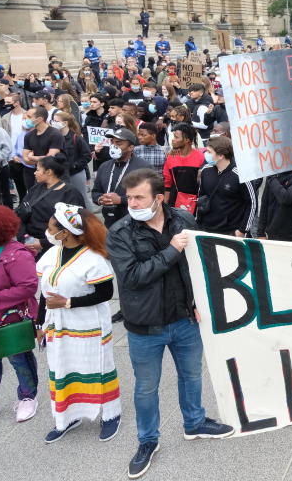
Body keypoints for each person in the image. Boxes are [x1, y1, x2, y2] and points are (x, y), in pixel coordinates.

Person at [107, 169, 233, 479]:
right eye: (130, 197)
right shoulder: (120, 232)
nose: (132, 203)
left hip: (185, 320)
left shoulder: (183, 221)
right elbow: (133, 277)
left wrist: (198, 302)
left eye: (139, 197)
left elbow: (198, 266)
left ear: (159, 198)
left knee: (191, 375)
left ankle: (195, 422)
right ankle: (147, 441)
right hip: (145, 326)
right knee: (146, 388)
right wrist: (172, 249)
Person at [37, 203, 121, 443]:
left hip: (89, 326)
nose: (47, 230)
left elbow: (105, 294)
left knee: (98, 369)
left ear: (65, 231)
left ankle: (111, 415)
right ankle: (67, 417)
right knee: (62, 369)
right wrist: (40, 324)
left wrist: (68, 303)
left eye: (51, 227)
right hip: (57, 327)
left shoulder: (93, 258)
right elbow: (45, 294)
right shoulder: (51, 254)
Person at [0, 204, 40, 424]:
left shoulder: (15, 254)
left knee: (19, 358)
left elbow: (28, 287)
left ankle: (28, 397)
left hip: (9, 319)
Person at [17, 155, 85, 254]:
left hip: (55, 246)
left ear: (49, 172)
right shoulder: (36, 188)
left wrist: (43, 243)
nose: (35, 173)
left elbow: (75, 226)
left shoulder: (70, 193)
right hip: (30, 242)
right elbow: (22, 211)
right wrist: (24, 238)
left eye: (38, 170)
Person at [195, 137, 256, 237]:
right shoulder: (206, 170)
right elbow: (201, 196)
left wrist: (242, 230)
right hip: (206, 229)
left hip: (230, 232)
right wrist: (198, 222)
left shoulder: (241, 175)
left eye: (209, 152)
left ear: (221, 155)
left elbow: (252, 203)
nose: (206, 154)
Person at [92, 128, 150, 229]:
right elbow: (95, 192)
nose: (114, 146)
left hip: (136, 224)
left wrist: (120, 200)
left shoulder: (144, 168)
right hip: (110, 222)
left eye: (119, 143)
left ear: (131, 147)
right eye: (112, 142)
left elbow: (150, 197)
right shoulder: (104, 166)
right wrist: (100, 199)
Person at [257, 168, 292, 241]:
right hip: (272, 234)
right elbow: (265, 204)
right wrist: (260, 233)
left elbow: (286, 198)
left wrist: (271, 179)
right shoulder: (273, 176)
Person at [162, 123, 205, 215]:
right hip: (174, 202)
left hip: (196, 203)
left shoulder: (201, 157)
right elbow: (167, 183)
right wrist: (164, 206)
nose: (173, 140)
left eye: (176, 137)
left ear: (187, 140)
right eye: (173, 136)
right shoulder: (171, 157)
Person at [22, 106, 64, 191]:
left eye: (29, 117)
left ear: (40, 119)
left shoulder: (55, 134)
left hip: (54, 176)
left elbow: (50, 159)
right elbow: (25, 159)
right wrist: (36, 159)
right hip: (37, 175)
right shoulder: (29, 135)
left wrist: (32, 158)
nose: (25, 119)